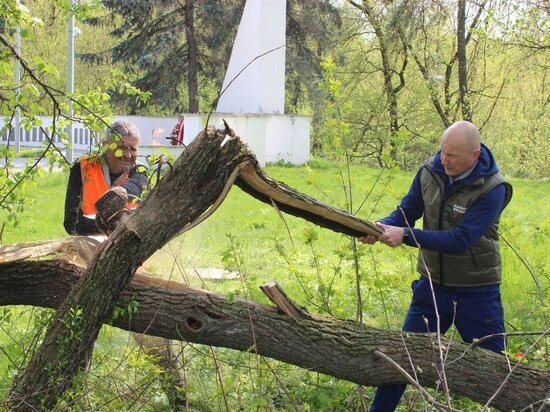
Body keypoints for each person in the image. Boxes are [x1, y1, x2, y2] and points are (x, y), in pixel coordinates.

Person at [359, 120, 513, 411]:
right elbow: (408, 211)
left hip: (477, 292)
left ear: (475, 155)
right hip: (431, 287)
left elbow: (460, 239)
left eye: (453, 155)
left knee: (498, 374)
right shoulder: (430, 171)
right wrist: (380, 227)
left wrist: (405, 235)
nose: (445, 160)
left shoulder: (493, 188)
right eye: (443, 152)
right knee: (402, 360)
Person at [64, 120, 148, 236]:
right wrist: (108, 227)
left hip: (127, 240)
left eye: (133, 149)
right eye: (122, 148)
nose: (128, 155)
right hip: (89, 240)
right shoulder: (83, 167)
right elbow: (71, 224)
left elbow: (135, 186)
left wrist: (120, 193)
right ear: (105, 145)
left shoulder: (140, 171)